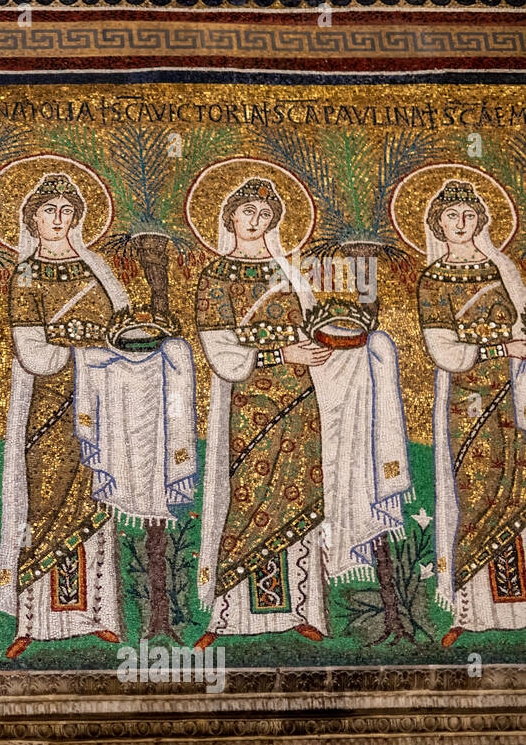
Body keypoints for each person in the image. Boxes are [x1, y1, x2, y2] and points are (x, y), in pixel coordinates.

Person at [194, 177, 409, 648]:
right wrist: (279, 355)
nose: (258, 221)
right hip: (249, 403)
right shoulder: (215, 276)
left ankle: (302, 610)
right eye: (249, 211)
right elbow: (220, 349)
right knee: (247, 501)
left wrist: (350, 340)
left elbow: (314, 330)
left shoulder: (289, 274)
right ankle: (226, 618)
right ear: (230, 215)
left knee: (303, 498)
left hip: (301, 401)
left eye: (266, 216)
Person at [0, 173, 184, 659]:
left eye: (66, 211)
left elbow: (124, 329)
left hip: (101, 401)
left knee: (95, 494)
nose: (58, 220)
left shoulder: (97, 271)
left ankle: (97, 615)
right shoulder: (26, 275)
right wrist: (81, 345)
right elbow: (30, 351)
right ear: (31, 218)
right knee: (44, 501)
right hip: (50, 404)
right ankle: (33, 621)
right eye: (48, 211)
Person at [416, 179, 526, 646]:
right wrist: (503, 344)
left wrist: (500, 262)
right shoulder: (433, 280)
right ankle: (472, 610)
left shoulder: (502, 270)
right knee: (476, 495)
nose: (460, 224)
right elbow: (443, 349)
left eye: (468, 215)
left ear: (480, 221)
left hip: (514, 394)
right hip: (466, 401)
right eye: (450, 216)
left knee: (519, 493)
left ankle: (518, 609)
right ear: (437, 225)